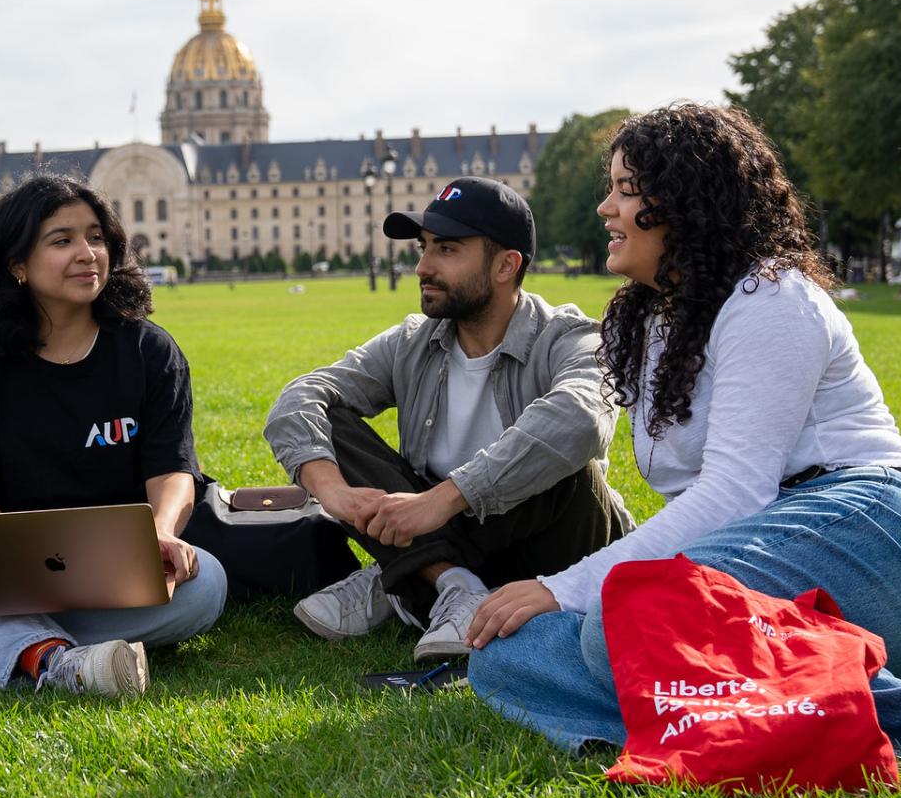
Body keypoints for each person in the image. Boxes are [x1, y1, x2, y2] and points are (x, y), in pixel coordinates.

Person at [464, 104, 901, 796]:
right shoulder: (654, 321)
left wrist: (560, 588)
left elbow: (732, 497)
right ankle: (734, 728)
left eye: (627, 189)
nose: (606, 206)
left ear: (685, 201)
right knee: (504, 658)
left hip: (870, 539)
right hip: (759, 593)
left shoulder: (770, 297)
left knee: (621, 621)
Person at [0, 174, 226, 696]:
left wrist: (161, 532)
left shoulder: (149, 352)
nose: (87, 253)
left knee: (209, 586)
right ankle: (55, 661)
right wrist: (31, 563)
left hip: (120, 568)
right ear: (17, 266)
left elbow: (173, 471)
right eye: (62, 241)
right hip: (17, 571)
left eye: (95, 237)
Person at [264, 176, 633, 661]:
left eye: (447, 249)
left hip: (555, 552)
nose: (423, 267)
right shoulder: (415, 340)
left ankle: (405, 580)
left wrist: (444, 499)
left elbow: (581, 417)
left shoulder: (567, 336)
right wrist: (336, 495)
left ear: (506, 265)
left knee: (566, 459)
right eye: (424, 248)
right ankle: (451, 584)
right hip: (447, 536)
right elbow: (303, 396)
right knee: (329, 414)